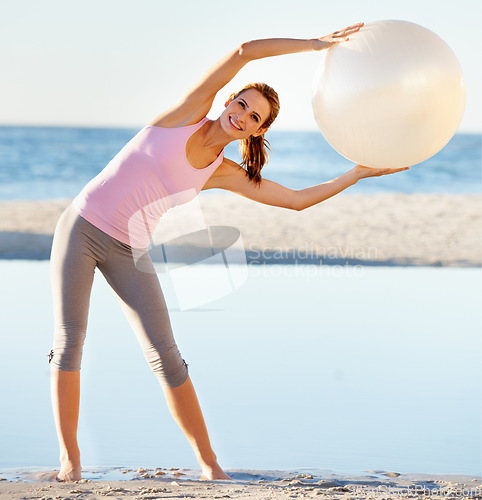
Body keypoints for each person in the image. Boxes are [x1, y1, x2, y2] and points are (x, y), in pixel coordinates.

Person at [48, 22, 408, 482]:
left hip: (129, 250)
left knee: (167, 356)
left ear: (255, 132)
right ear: (227, 100)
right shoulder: (185, 114)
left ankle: (210, 465)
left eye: (254, 117)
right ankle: (70, 463)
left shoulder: (223, 173)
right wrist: (315, 45)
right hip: (80, 228)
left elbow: (295, 201)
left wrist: (354, 174)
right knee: (69, 342)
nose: (242, 115)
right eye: (242, 104)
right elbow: (244, 51)